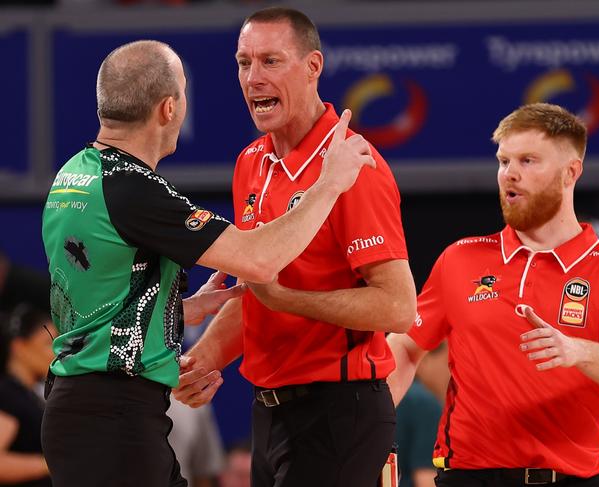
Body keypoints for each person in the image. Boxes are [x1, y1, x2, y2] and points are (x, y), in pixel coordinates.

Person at [40, 39, 375, 487]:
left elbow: (94, 293)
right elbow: (259, 260)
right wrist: (328, 184)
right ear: (169, 109)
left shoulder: (74, 174)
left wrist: (180, 309)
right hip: (114, 417)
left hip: (83, 410)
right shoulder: (135, 190)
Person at [174, 7, 417, 487]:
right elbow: (257, 294)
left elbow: (398, 306)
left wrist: (289, 301)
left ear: (313, 67)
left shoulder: (352, 164)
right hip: (269, 412)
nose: (253, 78)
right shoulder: (251, 162)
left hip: (338, 414)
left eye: (270, 61)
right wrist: (202, 360)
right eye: (244, 63)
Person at [387, 102, 599, 487]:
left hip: (574, 479)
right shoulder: (461, 259)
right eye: (503, 161)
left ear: (570, 172)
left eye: (528, 161)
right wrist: (365, 428)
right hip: (468, 478)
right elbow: (407, 347)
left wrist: (579, 351)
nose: (510, 174)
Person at [0, 304, 57, 487]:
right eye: (48, 344)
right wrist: (52, 464)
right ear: (19, 347)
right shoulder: (8, 394)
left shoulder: (30, 394)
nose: (56, 353)